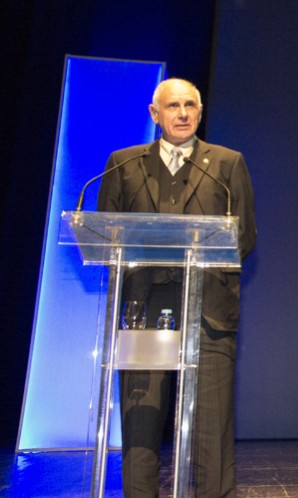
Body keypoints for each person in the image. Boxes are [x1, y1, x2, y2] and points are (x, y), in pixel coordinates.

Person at [97, 77, 256, 497]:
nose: (182, 114)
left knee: (211, 430)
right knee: (141, 424)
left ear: (200, 112)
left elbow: (245, 237)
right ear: (155, 114)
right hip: (142, 309)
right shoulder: (122, 165)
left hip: (209, 309)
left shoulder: (226, 164)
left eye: (190, 106)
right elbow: (105, 233)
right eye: (173, 106)